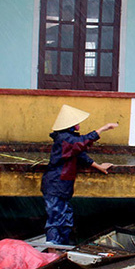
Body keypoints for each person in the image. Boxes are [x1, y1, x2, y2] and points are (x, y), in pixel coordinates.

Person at [42, 103, 118, 246]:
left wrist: (98, 166)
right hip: (55, 185)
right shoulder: (65, 139)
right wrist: (103, 128)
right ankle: (53, 250)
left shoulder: (67, 138)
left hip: (62, 187)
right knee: (56, 219)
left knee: (66, 219)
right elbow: (82, 142)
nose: (78, 124)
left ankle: (62, 247)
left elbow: (80, 155)